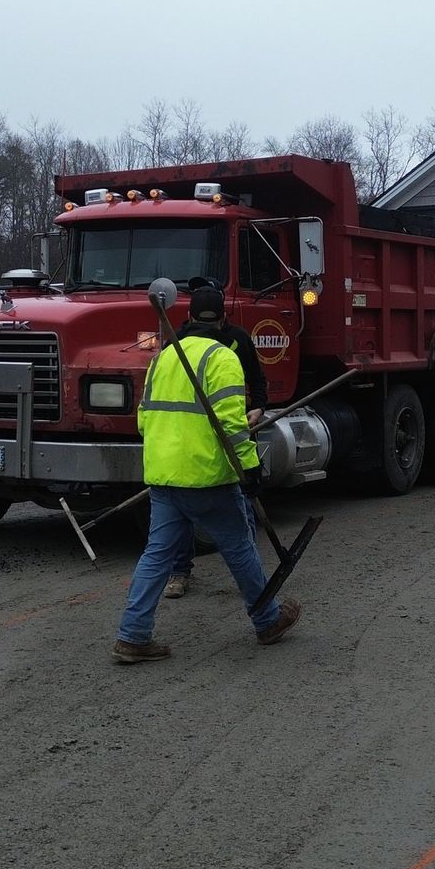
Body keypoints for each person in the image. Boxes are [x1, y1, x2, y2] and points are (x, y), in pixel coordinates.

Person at [113, 287, 300, 664]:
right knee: (239, 546)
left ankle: (133, 636)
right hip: (207, 476)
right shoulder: (222, 357)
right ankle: (267, 619)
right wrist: (249, 467)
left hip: (165, 475)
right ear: (223, 320)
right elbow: (233, 424)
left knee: (156, 556)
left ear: (189, 318)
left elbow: (143, 419)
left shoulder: (163, 358)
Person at [162, 282, 268, 601]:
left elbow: (257, 381)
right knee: (184, 515)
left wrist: (258, 408)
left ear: (223, 318)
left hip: (230, 439)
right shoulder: (175, 345)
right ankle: (179, 572)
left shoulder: (238, 341)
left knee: (241, 509)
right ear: (192, 318)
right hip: (192, 445)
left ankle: (251, 577)